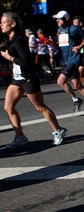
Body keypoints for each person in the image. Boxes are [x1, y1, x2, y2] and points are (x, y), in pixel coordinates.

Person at [0, 12, 68, 149]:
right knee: (8, 107)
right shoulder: (10, 39)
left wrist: (10, 58)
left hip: (28, 77)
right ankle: (20, 137)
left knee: (40, 107)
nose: (1, 24)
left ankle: (58, 130)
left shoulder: (19, 39)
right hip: (18, 78)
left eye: (3, 22)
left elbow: (26, 61)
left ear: (13, 24)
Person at [53, 10, 84, 113]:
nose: (57, 21)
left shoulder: (73, 28)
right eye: (56, 19)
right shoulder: (60, 29)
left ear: (66, 19)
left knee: (60, 81)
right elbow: (63, 43)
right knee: (77, 85)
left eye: (59, 19)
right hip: (66, 59)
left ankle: (76, 99)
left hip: (74, 59)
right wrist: (53, 43)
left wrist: (79, 46)